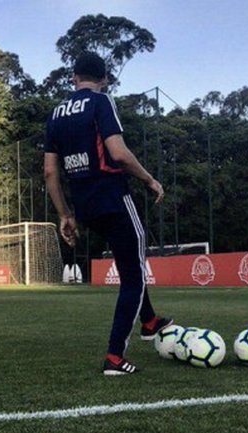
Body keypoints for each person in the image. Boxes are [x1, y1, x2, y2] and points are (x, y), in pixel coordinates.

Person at [44, 52, 172, 375]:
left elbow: (49, 173)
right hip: (113, 198)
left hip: (85, 207)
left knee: (128, 261)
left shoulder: (56, 115)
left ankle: (149, 320)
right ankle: (115, 356)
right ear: (103, 80)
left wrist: (65, 215)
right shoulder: (101, 102)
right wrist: (149, 179)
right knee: (134, 273)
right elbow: (118, 153)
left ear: (73, 78)